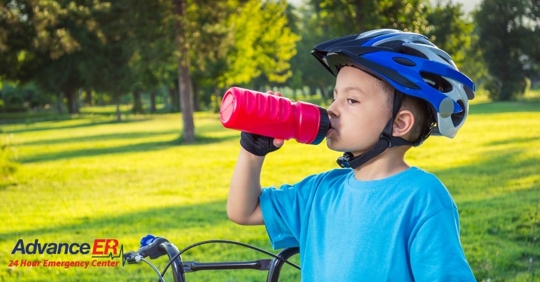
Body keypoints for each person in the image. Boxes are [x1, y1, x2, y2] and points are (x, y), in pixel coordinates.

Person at [227, 29, 476, 281]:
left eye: (352, 100)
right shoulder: (320, 191)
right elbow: (243, 211)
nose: (332, 109)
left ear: (400, 123)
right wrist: (253, 150)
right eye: (335, 96)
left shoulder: (422, 196)